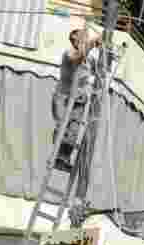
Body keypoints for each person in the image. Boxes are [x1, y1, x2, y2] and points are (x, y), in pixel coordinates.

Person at [52, 28, 102, 170]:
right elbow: (78, 58)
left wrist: (102, 48)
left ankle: (64, 159)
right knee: (63, 128)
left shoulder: (89, 58)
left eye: (83, 39)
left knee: (73, 130)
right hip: (64, 97)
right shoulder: (69, 53)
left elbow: (98, 68)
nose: (81, 41)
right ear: (74, 41)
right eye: (79, 39)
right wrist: (92, 44)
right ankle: (57, 156)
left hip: (79, 98)